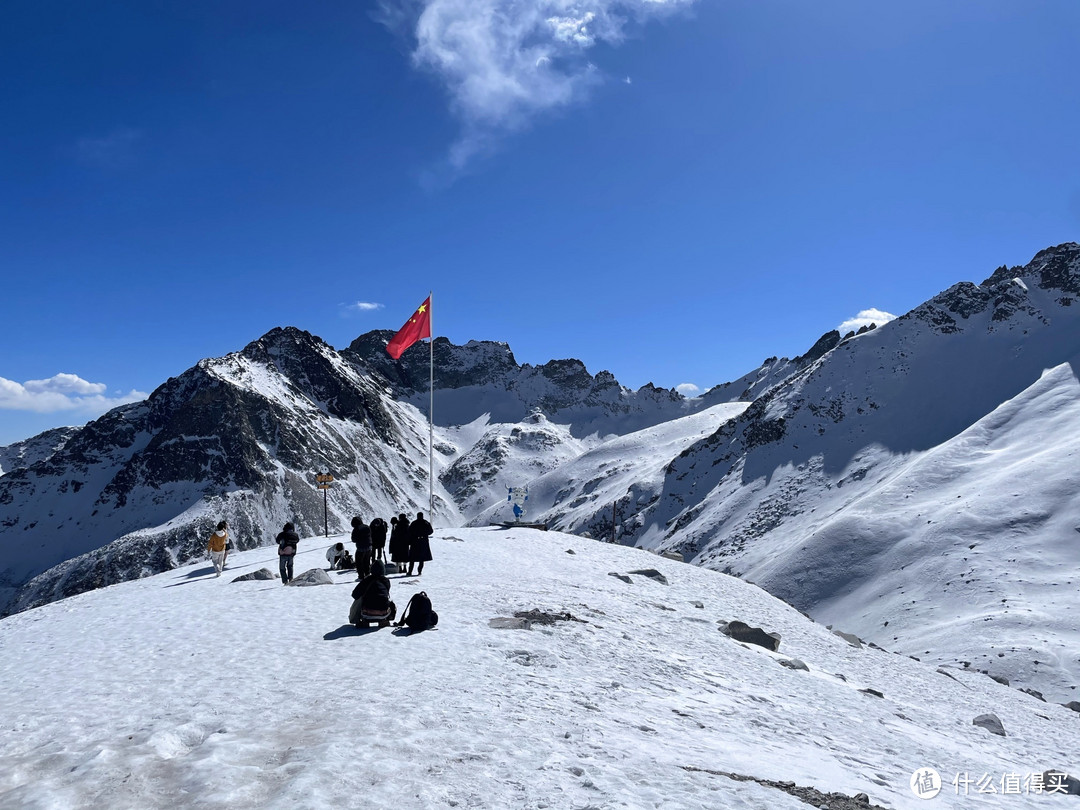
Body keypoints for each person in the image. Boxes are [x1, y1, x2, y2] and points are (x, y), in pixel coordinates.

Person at [349, 560, 396, 625]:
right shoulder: (386, 581)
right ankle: (383, 620)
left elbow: (355, 595)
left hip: (367, 613)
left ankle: (364, 621)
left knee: (360, 599)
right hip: (383, 612)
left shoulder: (367, 580)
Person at [407, 511, 433, 577]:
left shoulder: (414, 523)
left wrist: (410, 540)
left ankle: (410, 572)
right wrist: (425, 533)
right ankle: (419, 571)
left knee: (412, 558)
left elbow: (409, 532)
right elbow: (431, 531)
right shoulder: (426, 523)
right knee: (422, 558)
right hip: (423, 542)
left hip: (415, 542)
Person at [351, 516, 371, 580]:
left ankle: (361, 576)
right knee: (366, 561)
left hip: (360, 548)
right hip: (369, 547)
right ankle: (367, 574)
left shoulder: (356, 529)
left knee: (359, 562)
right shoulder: (367, 526)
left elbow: (353, 539)